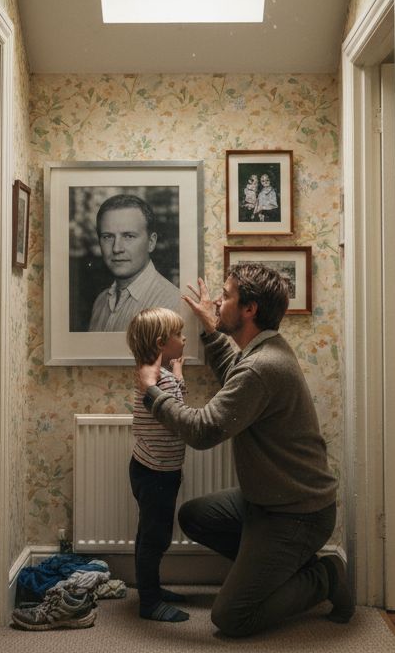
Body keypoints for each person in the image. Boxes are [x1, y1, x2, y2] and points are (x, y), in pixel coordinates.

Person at [135, 263, 352, 637]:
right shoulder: (263, 351)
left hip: (296, 514)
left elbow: (203, 430)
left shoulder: (261, 366)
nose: (218, 300)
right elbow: (235, 369)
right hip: (264, 502)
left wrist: (151, 392)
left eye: (227, 294)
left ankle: (324, 576)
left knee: (232, 617)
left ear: (249, 309)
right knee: (194, 517)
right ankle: (276, 570)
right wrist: (210, 325)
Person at [124, 307, 191, 623]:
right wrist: (175, 378)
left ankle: (151, 590)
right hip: (156, 474)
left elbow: (175, 403)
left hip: (152, 468)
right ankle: (149, 602)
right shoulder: (157, 381)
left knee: (150, 534)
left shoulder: (157, 375)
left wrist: (177, 373)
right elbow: (180, 417)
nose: (184, 339)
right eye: (179, 335)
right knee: (155, 537)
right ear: (163, 342)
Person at [87, 193, 182, 332]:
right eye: (107, 237)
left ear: (151, 242)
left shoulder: (172, 304)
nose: (116, 248)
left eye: (128, 236)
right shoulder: (101, 301)